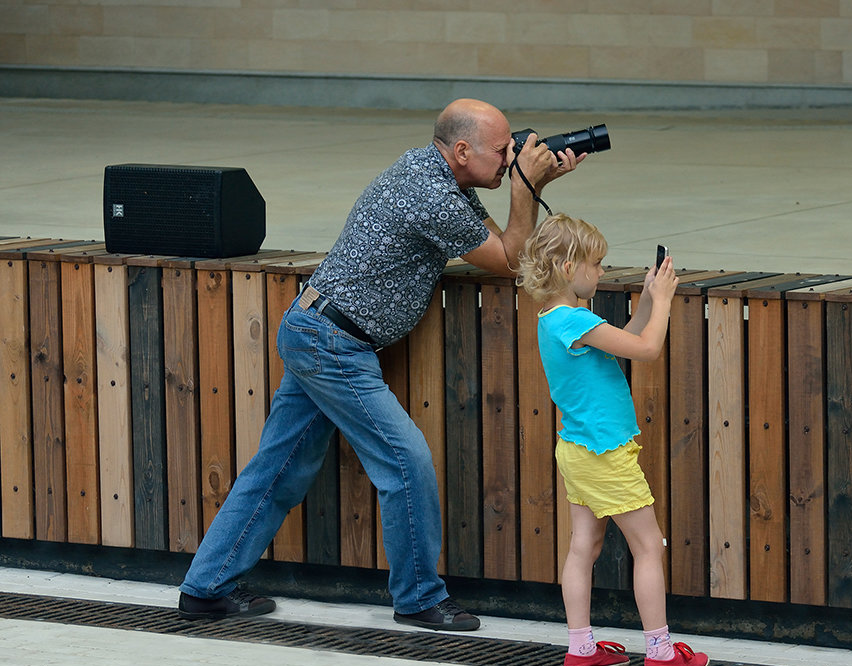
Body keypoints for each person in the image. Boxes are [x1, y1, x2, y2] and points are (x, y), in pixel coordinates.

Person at [178, 98, 584, 629]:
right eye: (502, 149)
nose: (511, 156)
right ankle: (418, 598)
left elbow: (501, 245)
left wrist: (531, 185)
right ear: (462, 151)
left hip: (317, 331)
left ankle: (206, 587)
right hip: (333, 342)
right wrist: (525, 188)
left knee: (279, 468)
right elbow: (512, 259)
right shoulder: (430, 193)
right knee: (405, 461)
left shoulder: (434, 175)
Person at [516, 213, 710, 666]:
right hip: (605, 452)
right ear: (568, 268)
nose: (601, 273)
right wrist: (663, 301)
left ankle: (581, 647)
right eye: (596, 264)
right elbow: (647, 349)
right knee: (648, 546)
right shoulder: (574, 320)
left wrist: (647, 299)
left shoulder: (557, 319)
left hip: (579, 449)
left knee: (584, 544)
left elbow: (630, 336)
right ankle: (660, 652)